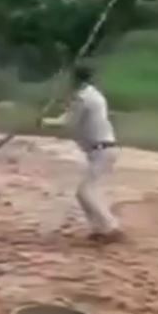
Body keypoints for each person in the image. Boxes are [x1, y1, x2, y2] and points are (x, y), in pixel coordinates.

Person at [42, 64, 121, 242]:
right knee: (87, 191)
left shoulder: (82, 98)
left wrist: (44, 122)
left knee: (85, 192)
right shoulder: (93, 94)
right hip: (103, 149)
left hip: (101, 150)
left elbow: (68, 122)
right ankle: (99, 229)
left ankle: (110, 227)